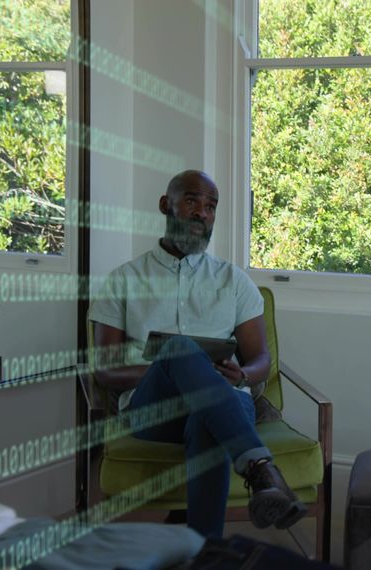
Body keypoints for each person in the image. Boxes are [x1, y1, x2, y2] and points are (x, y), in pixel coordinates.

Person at [89, 170, 305, 538]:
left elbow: (260, 362)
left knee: (208, 418)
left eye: (211, 207)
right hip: (155, 410)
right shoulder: (123, 280)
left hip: (227, 401)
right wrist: (172, 368)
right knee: (179, 349)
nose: (202, 213)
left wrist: (245, 376)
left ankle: (206, 552)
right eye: (192, 201)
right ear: (165, 205)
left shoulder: (233, 280)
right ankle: (260, 468)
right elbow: (105, 371)